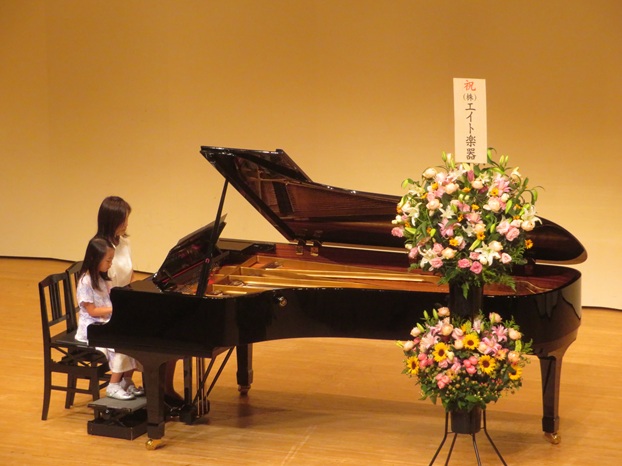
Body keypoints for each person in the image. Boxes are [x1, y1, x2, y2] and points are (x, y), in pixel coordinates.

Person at [96, 196, 183, 406]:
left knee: (166, 326)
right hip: (107, 308)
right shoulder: (99, 248)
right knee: (140, 331)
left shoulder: (124, 242)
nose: (126, 223)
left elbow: (130, 273)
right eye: (123, 219)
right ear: (112, 220)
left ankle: (161, 388)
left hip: (125, 300)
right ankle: (120, 383)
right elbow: (98, 287)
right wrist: (122, 305)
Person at [75, 237, 144, 400]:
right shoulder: (85, 281)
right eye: (108, 260)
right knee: (121, 342)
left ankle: (126, 380)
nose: (111, 264)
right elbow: (92, 311)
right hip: (92, 328)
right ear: (95, 259)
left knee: (135, 335)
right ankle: (113, 385)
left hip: (104, 322)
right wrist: (115, 308)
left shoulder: (102, 278)